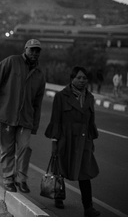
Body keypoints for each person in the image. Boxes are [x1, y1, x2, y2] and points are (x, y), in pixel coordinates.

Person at [0, 39, 46, 193]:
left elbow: (38, 102)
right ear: (25, 49)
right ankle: (8, 178)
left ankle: (21, 179)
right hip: (6, 116)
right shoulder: (11, 62)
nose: (34, 53)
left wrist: (35, 124)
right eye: (32, 50)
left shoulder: (40, 75)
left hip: (26, 119)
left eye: (37, 51)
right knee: (7, 149)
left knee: (25, 148)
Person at [45, 66, 100, 217]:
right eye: (79, 78)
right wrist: (54, 142)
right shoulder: (61, 97)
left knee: (85, 174)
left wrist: (91, 141)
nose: (82, 81)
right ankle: (58, 197)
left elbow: (91, 122)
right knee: (60, 169)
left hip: (84, 142)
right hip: (65, 139)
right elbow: (55, 120)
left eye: (84, 78)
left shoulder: (89, 98)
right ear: (72, 79)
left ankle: (88, 208)